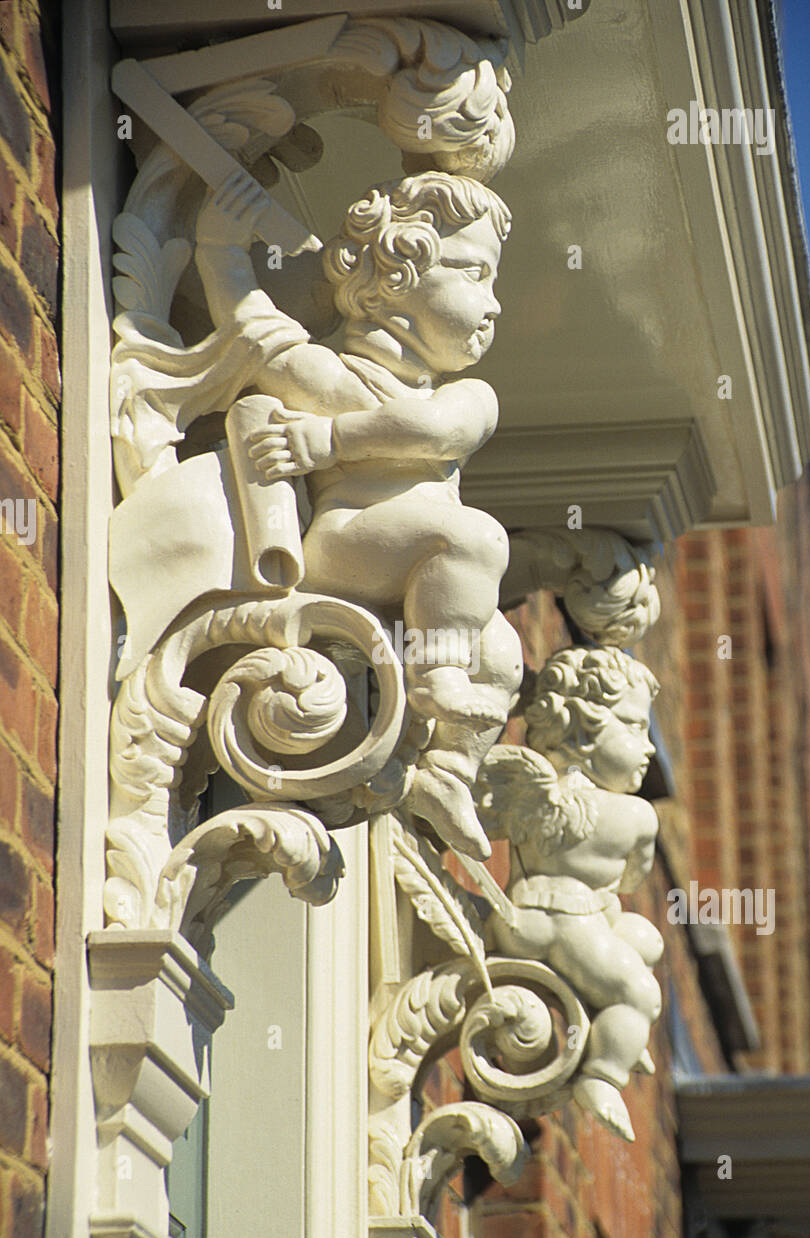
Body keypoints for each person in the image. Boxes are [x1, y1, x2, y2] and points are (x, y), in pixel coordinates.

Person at [195, 168, 523, 856]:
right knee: (472, 538)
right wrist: (217, 242)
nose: (493, 305)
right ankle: (435, 678)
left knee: (503, 648)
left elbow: (440, 433)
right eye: (474, 275)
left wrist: (328, 438)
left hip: (421, 569)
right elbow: (250, 329)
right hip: (343, 549)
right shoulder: (330, 375)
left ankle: (446, 772)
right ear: (396, 279)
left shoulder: (470, 398)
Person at [476, 646, 663, 1141]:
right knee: (641, 991)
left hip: (531, 911)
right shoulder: (638, 816)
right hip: (568, 917)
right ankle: (603, 1075)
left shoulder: (541, 789)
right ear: (584, 728)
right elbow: (632, 879)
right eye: (635, 727)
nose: (649, 748)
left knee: (646, 940)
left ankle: (615, 1028)